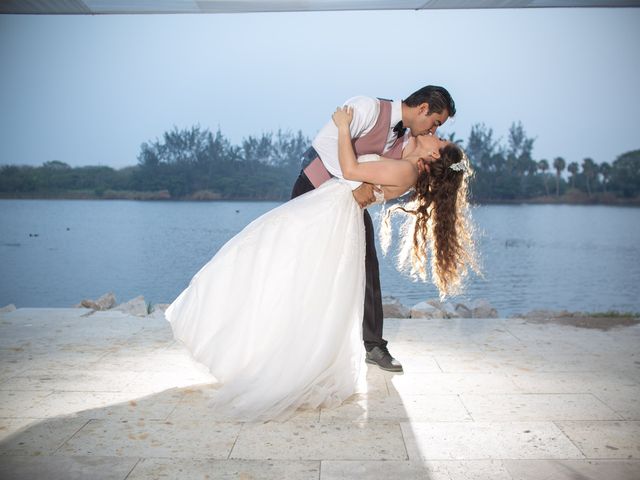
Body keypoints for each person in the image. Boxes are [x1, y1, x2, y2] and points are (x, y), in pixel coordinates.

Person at [164, 103, 478, 422]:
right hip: (331, 212)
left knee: (270, 266)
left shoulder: (406, 171)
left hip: (328, 216)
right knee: (273, 266)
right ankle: (268, 351)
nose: (436, 135)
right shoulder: (404, 159)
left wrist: (343, 126)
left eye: (441, 141)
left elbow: (351, 169)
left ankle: (275, 358)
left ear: (436, 157)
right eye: (437, 129)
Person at [291, 85, 456, 373]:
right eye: (436, 123)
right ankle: (295, 335)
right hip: (314, 189)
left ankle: (373, 345)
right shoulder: (367, 107)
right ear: (423, 108)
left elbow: (391, 176)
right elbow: (324, 144)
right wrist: (356, 185)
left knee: (368, 264)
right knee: (301, 263)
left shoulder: (406, 143)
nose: (434, 131)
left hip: (349, 206)